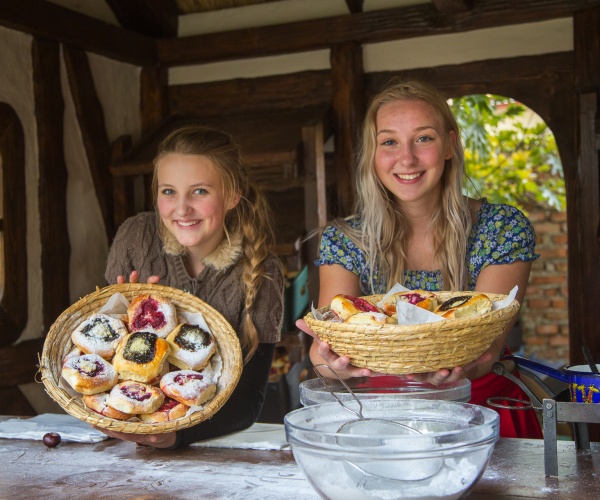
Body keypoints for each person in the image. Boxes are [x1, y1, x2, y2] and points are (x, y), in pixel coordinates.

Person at [297, 78, 542, 439]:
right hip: (382, 422)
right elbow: (326, 354)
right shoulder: (347, 240)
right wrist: (334, 366)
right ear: (374, 153)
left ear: (450, 144)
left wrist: (447, 372)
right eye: (390, 142)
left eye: (424, 138)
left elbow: (487, 350)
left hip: (485, 415)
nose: (407, 158)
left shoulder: (502, 228)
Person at [102, 124, 285, 448]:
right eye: (168, 191)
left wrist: (175, 435)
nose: (182, 209)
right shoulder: (136, 238)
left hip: (207, 446)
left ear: (232, 195)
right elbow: (104, 367)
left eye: (199, 191)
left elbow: (249, 400)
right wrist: (124, 323)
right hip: (126, 436)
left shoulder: (262, 272)